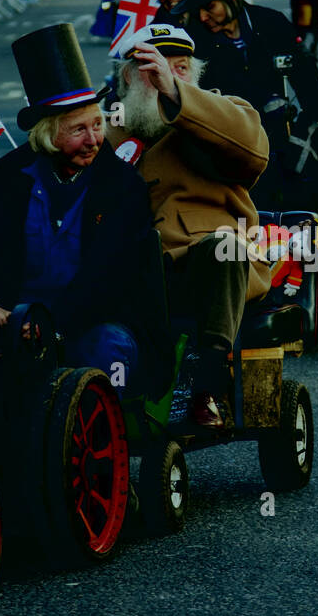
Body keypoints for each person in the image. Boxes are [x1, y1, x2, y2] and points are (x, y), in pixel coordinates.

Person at [0, 23, 157, 398]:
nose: (94, 139)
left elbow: (112, 274)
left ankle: (105, 438)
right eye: (78, 129)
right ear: (48, 134)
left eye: (98, 124)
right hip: (19, 320)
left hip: (96, 322)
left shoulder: (122, 186)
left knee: (104, 351)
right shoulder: (13, 183)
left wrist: (54, 321)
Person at [105, 23, 271, 429]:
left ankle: (210, 383)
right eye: (154, 66)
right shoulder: (109, 126)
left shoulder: (222, 111)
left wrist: (176, 93)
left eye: (180, 67)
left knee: (224, 247)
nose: (167, 73)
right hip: (138, 263)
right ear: (128, 75)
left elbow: (253, 149)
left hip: (207, 259)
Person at [172, 0, 318, 207]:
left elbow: (308, 79)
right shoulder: (195, 41)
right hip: (232, 143)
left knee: (309, 190)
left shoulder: (271, 23)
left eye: (210, 7)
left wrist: (310, 123)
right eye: (198, 11)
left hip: (283, 136)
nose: (204, 17)